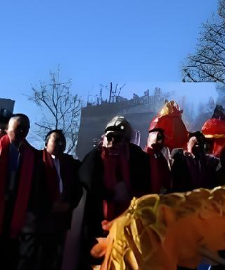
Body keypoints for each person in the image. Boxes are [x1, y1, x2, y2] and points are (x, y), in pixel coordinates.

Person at [79, 116, 151, 267]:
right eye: (110, 137)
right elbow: (87, 179)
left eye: (119, 138)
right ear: (103, 138)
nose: (113, 142)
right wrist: (110, 194)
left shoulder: (136, 157)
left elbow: (144, 183)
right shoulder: (95, 156)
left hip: (127, 223)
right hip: (99, 223)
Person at [36, 129, 81, 270]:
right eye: (56, 140)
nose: (61, 143)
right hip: (39, 220)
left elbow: (77, 189)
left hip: (61, 221)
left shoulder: (70, 163)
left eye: (63, 140)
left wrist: (69, 205)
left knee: (55, 259)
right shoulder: (36, 160)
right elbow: (31, 188)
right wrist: (48, 206)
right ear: (46, 143)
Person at [0, 114, 41, 270]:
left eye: (26, 127)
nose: (23, 130)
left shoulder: (31, 155)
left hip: (15, 209)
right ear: (8, 128)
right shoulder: (1, 146)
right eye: (19, 127)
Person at [146, 128, 171, 194]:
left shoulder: (160, 155)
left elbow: (165, 172)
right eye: (158, 138)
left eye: (161, 138)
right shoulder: (146, 155)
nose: (161, 141)